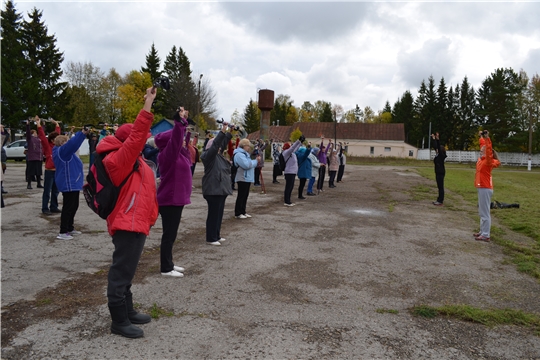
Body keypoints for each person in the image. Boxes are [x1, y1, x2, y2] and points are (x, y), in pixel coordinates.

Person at [97, 87, 159, 339]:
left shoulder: (137, 160)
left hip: (136, 221)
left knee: (128, 268)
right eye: (139, 139)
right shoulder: (117, 159)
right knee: (121, 269)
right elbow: (136, 137)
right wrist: (148, 105)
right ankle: (118, 320)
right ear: (129, 139)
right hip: (126, 221)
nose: (144, 142)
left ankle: (128, 309)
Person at [155, 108, 192, 277]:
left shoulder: (179, 155)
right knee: (168, 235)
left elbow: (183, 146)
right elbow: (176, 141)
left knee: (171, 234)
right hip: (170, 199)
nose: (182, 143)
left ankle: (169, 263)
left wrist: (185, 128)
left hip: (176, 199)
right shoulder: (168, 155)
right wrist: (179, 124)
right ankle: (166, 267)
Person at [53, 127, 88, 240]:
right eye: (66, 141)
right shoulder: (63, 152)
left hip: (74, 182)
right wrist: (82, 134)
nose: (68, 143)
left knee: (74, 206)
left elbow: (72, 145)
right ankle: (63, 231)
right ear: (62, 143)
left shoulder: (64, 152)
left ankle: (69, 227)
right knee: (68, 207)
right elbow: (73, 144)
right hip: (69, 183)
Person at [201, 123, 233, 245]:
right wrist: (222, 132)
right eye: (217, 147)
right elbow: (216, 145)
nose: (220, 148)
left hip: (220, 189)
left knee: (219, 214)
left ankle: (217, 235)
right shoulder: (209, 156)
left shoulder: (218, 156)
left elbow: (221, 144)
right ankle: (211, 237)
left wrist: (229, 133)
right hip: (213, 189)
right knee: (213, 214)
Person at [473, 130, 500, 242]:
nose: (481, 151)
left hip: (485, 188)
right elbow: (483, 146)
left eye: (482, 151)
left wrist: (487, 138)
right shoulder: (481, 160)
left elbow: (488, 149)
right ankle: (482, 231)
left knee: (485, 212)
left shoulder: (488, 162)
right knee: (482, 211)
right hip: (482, 187)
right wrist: (481, 137)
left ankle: (485, 234)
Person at [36, 117, 61, 215]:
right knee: (47, 190)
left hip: (57, 171)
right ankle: (45, 208)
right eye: (55, 139)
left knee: (56, 190)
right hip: (49, 171)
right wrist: (38, 124)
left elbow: (58, 133)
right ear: (51, 140)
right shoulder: (47, 145)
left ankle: (54, 206)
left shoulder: (58, 146)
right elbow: (42, 136)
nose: (57, 141)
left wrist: (57, 124)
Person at [233, 138, 259, 219]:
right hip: (242, 177)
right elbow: (247, 165)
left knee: (245, 195)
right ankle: (238, 212)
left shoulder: (245, 154)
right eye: (248, 146)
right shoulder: (239, 155)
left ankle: (243, 211)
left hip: (247, 177)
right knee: (241, 195)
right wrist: (256, 161)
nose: (249, 147)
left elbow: (249, 164)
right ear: (244, 146)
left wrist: (253, 162)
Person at [282, 136, 305, 206]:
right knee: (288, 187)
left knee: (291, 187)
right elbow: (292, 148)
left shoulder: (292, 153)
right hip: (289, 172)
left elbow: (295, 148)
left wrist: (301, 142)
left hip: (292, 172)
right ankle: (287, 201)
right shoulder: (286, 152)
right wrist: (298, 140)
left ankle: (288, 200)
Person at [25, 121, 44, 189]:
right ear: (32, 133)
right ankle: (29, 184)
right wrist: (28, 125)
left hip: (39, 157)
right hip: (32, 157)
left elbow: (42, 133)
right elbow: (27, 133)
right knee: (31, 172)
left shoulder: (38, 138)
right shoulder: (30, 139)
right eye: (35, 132)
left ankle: (39, 183)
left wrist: (43, 125)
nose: (36, 133)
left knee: (38, 172)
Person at [431, 133, 447, 206]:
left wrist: (437, 140)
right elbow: (435, 147)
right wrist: (433, 139)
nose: (436, 150)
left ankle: (440, 201)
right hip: (438, 172)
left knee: (441, 187)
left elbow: (437, 147)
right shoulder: (437, 154)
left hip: (440, 172)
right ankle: (439, 199)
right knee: (439, 187)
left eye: (438, 149)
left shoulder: (441, 155)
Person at [1, 125, 10, 195]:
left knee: (2, 175)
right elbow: (3, 141)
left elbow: (3, 141)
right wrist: (6, 133)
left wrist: (7, 133)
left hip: (2, 160)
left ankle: (1, 187)